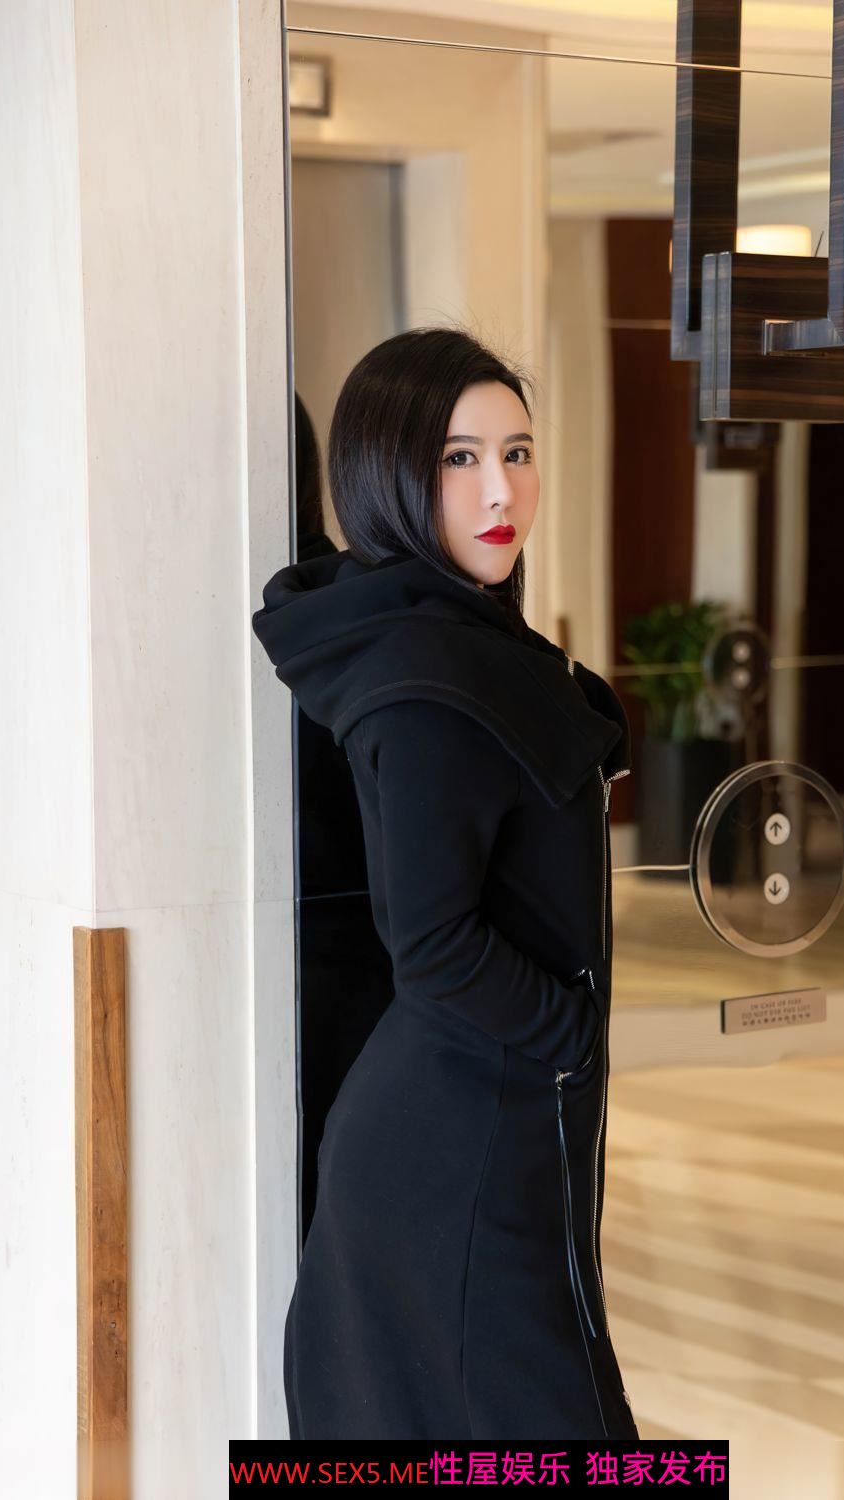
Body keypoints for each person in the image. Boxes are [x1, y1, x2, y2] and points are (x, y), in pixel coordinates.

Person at [251, 325, 637, 1440]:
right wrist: (569, 1036)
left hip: (483, 1116)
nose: (500, 489)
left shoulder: (458, 643)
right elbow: (431, 944)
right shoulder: (427, 677)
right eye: (459, 459)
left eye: (516, 452)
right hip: (459, 1141)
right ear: (389, 476)